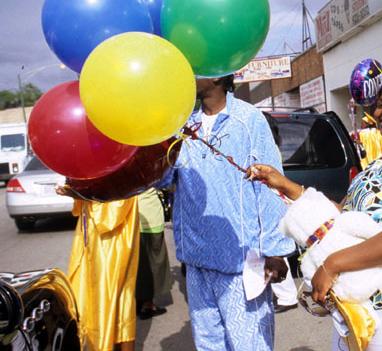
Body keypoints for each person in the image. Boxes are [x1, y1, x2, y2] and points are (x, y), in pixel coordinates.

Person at [249, 69, 382, 350]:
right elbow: (339, 213)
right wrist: (282, 183)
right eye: (381, 104)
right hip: (368, 304)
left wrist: (332, 265)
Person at [157, 74, 294, 350]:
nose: (188, 74)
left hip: (242, 262)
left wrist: (275, 250)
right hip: (197, 259)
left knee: (250, 344)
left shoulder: (249, 119)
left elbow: (270, 187)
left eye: (197, 69)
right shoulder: (181, 125)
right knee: (209, 344)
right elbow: (164, 181)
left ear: (218, 74)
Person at [56, 186, 139, 351]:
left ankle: (104, 345)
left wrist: (81, 194)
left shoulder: (122, 168)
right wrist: (76, 191)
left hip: (111, 242)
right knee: (103, 298)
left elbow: (112, 215)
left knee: (110, 297)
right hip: (92, 237)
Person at [261, 111, 299, 313]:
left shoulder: (266, 147)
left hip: (272, 201)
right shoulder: (272, 145)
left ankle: (287, 296)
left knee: (275, 250)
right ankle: (284, 294)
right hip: (275, 200)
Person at [136, 188, 171, 319]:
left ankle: (138, 301)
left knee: (140, 264)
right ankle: (148, 305)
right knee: (152, 265)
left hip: (133, 221)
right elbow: (166, 184)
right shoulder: (149, 170)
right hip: (149, 220)